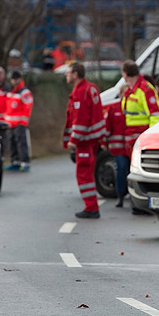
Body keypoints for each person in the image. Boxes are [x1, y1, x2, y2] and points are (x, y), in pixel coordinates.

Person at [64, 62, 105, 218]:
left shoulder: (81, 92)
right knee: (87, 172)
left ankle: (91, 207)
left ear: (75, 75)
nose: (66, 75)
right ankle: (91, 206)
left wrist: (73, 140)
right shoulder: (91, 88)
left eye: (68, 73)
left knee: (84, 174)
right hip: (93, 139)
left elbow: (80, 119)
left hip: (85, 141)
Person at [120, 60, 159, 214]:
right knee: (133, 172)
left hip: (141, 139)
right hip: (131, 139)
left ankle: (141, 204)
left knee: (141, 173)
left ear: (125, 73)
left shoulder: (144, 89)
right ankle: (137, 202)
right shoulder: (131, 90)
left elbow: (156, 115)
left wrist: (149, 139)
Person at [105, 81, 130, 207]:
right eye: (124, 93)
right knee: (121, 168)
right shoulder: (113, 108)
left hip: (130, 147)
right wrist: (104, 142)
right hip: (118, 148)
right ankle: (120, 195)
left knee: (131, 170)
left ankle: (132, 195)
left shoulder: (133, 108)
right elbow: (107, 127)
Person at [4, 70, 34, 171]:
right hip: (10, 123)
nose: (14, 81)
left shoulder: (24, 92)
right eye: (13, 79)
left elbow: (28, 106)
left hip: (20, 122)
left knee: (21, 143)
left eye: (16, 78)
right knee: (12, 143)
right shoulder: (10, 91)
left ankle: (25, 162)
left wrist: (24, 121)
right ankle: (15, 162)